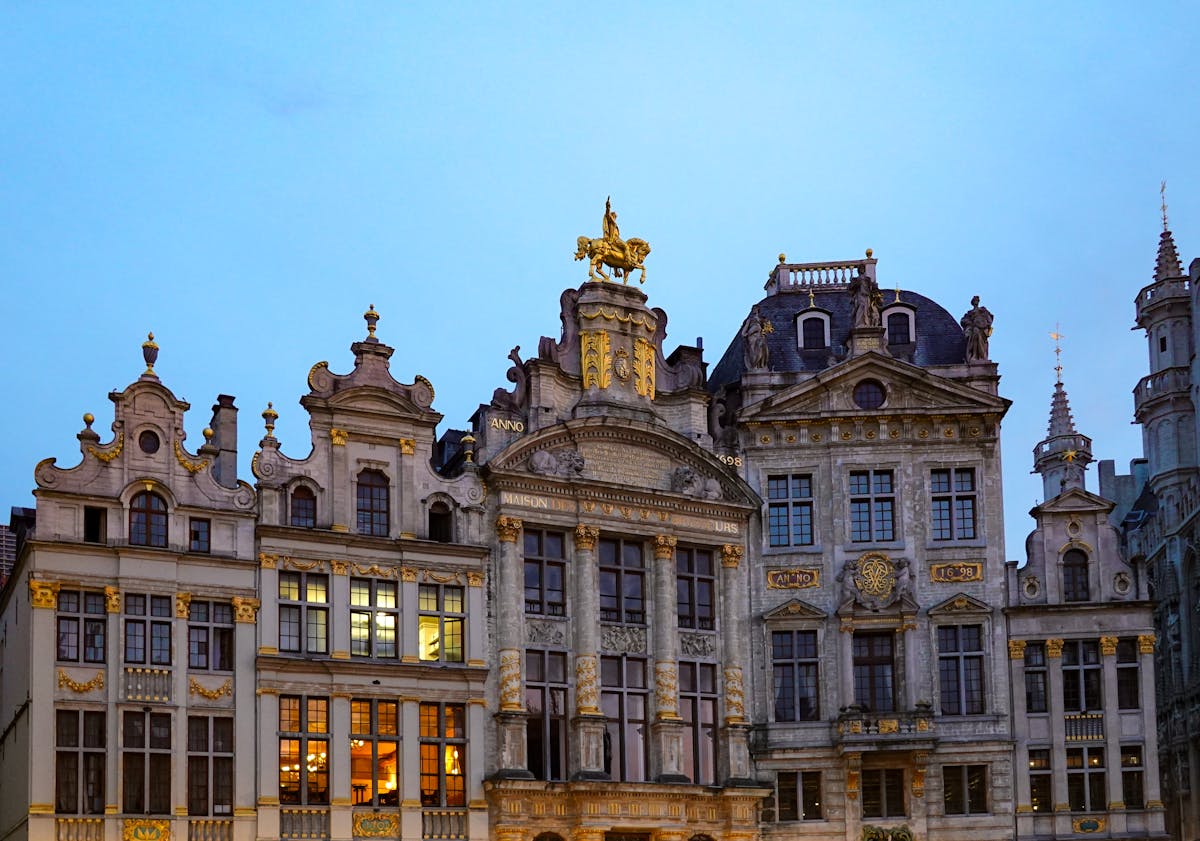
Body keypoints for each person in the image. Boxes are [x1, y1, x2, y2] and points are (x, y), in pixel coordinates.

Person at [961, 295, 994, 362]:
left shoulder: (983, 310)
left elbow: (989, 319)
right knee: (975, 339)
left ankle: (981, 357)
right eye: (975, 300)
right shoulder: (970, 313)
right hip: (975, 328)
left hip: (982, 329)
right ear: (973, 302)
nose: (976, 302)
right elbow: (963, 321)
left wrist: (987, 324)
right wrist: (970, 323)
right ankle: (975, 356)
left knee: (981, 341)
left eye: (977, 300)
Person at [741, 306, 770, 370]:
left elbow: (767, 328)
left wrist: (765, 331)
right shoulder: (750, 320)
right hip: (752, 336)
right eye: (753, 309)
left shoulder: (760, 319)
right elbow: (745, 328)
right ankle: (754, 365)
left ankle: (760, 364)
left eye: (755, 309)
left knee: (762, 348)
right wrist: (744, 334)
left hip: (759, 336)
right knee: (753, 351)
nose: (754, 310)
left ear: (758, 310)